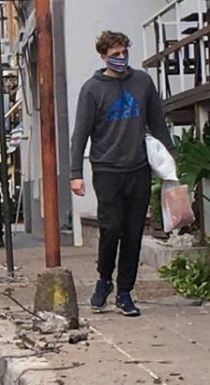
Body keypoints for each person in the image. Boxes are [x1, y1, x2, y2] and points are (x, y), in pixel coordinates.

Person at [70, 30, 174, 317]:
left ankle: (125, 291)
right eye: (115, 54)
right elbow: (80, 133)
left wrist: (172, 159)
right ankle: (104, 279)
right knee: (111, 228)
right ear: (104, 56)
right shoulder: (92, 89)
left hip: (138, 168)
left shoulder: (142, 82)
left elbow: (157, 123)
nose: (121, 58)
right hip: (106, 169)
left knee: (133, 233)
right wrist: (75, 172)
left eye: (124, 52)